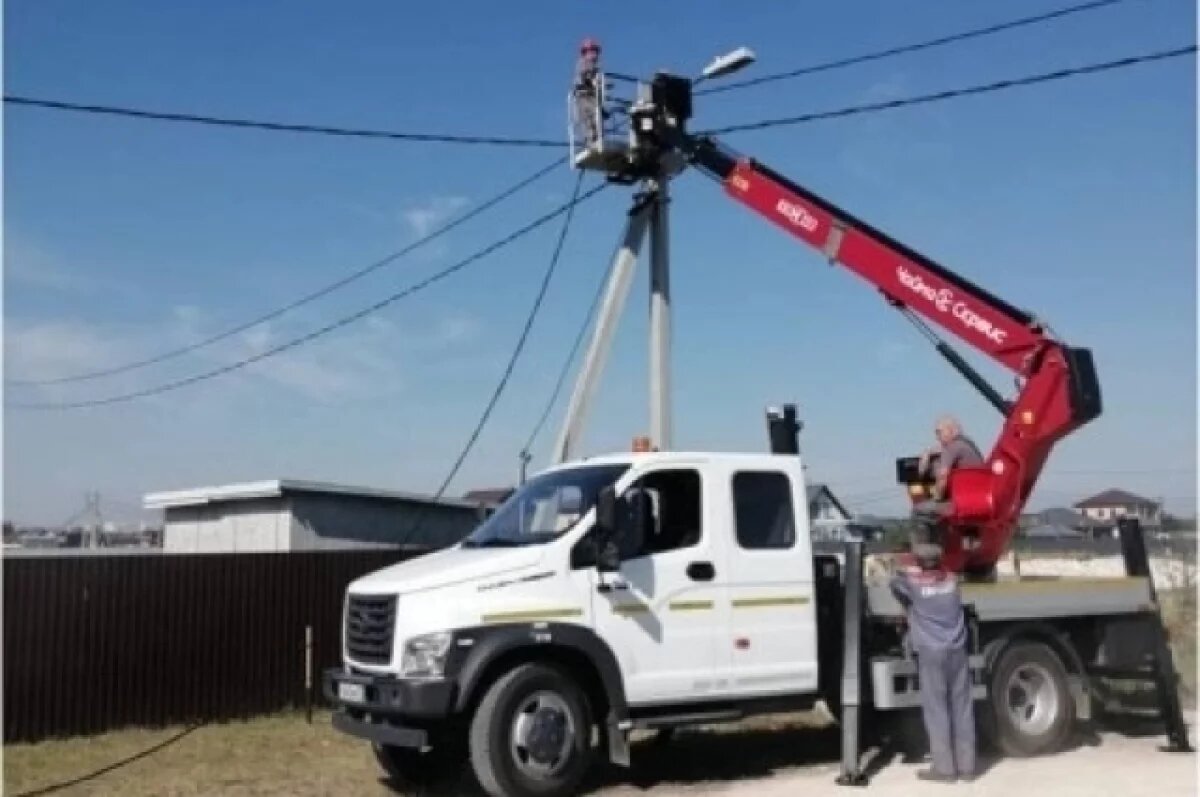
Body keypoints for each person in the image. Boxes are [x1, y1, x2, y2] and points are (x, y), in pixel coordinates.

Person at [889, 543, 977, 783]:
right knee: (962, 707)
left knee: (937, 710)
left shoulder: (913, 584)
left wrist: (905, 566)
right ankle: (967, 768)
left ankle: (945, 770)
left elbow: (893, 582)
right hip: (957, 649)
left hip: (931, 652)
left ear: (919, 562)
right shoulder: (951, 581)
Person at [911, 414, 984, 546]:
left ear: (952, 430)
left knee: (919, 510)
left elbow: (942, 476)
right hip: (975, 503)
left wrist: (936, 498)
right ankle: (968, 539)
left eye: (939, 432)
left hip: (958, 504)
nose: (937, 436)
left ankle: (929, 554)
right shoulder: (970, 447)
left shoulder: (952, 448)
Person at [572, 38, 603, 146]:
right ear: (586, 52)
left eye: (595, 52)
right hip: (584, 95)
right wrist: (593, 81)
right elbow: (585, 77)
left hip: (592, 95)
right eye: (592, 51)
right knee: (588, 118)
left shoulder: (595, 67)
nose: (595, 55)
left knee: (596, 117)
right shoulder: (583, 63)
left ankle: (595, 138)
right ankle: (590, 139)